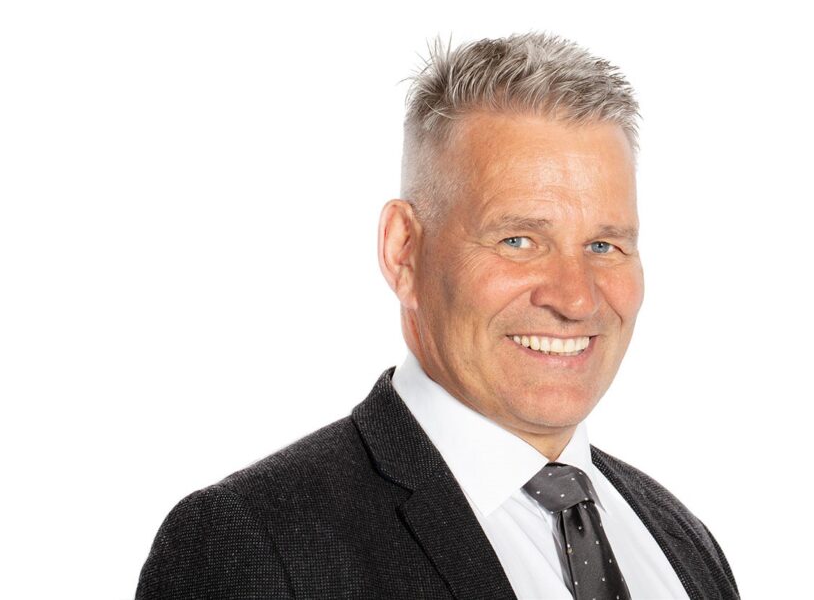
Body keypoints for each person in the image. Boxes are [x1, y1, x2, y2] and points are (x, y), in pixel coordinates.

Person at [136, 33, 740, 600]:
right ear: (404, 251)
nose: (576, 298)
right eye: (519, 241)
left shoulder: (680, 542)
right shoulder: (252, 545)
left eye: (604, 246)